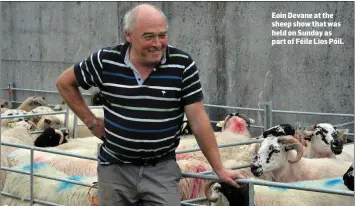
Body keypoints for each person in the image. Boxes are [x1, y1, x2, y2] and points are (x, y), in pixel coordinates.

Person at [56, 3, 246, 206]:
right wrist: (91, 122)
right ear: (128, 35)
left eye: (162, 35)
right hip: (115, 170)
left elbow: (198, 120)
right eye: (148, 37)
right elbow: (65, 82)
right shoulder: (105, 61)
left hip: (161, 170)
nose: (157, 43)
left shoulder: (182, 64)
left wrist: (219, 169)